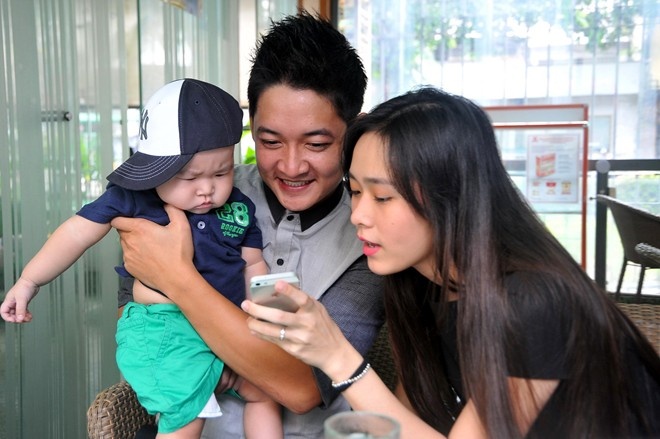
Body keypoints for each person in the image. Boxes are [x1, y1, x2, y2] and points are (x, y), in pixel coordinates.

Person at [242, 86, 660, 438]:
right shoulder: (420, 285)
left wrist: (337, 356)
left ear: (451, 197)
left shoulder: (536, 301)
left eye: (383, 196)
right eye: (355, 191)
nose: (359, 216)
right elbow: (407, 423)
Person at [111, 12, 385, 439]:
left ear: (355, 130)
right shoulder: (198, 191)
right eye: (270, 141)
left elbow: (303, 388)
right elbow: (136, 315)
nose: (291, 166)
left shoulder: (369, 232)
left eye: (316, 144)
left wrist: (179, 279)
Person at [1, 78, 283, 439]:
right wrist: (29, 280)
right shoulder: (134, 199)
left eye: (221, 172)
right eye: (189, 176)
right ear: (155, 170)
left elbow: (254, 266)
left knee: (267, 392)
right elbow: (75, 233)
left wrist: (261, 326)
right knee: (187, 411)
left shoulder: (239, 208)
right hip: (165, 328)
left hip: (225, 327)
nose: (207, 189)